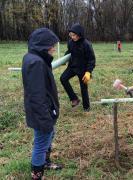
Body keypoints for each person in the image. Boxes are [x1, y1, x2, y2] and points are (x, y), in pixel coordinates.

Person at [22, 28, 62, 180]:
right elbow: (36, 96)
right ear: (43, 45)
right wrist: (45, 119)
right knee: (40, 143)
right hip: (41, 113)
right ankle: (37, 175)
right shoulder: (36, 63)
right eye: (52, 45)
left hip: (45, 111)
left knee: (49, 135)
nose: (54, 48)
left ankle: (45, 162)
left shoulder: (35, 58)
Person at [60, 23, 96, 111]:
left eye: (74, 35)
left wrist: (88, 72)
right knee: (63, 79)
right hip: (72, 67)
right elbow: (69, 52)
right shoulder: (70, 43)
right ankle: (74, 99)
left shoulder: (86, 44)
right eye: (71, 35)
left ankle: (86, 108)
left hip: (83, 70)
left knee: (83, 88)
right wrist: (64, 59)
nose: (72, 37)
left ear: (79, 34)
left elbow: (92, 59)